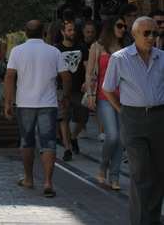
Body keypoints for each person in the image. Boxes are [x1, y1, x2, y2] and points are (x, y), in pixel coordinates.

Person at [102, 16, 164, 225]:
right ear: (134, 34)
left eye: (155, 33)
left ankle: (152, 220)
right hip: (133, 118)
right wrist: (121, 110)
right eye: (146, 33)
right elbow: (107, 88)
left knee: (158, 173)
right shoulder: (120, 58)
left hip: (159, 117)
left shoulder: (162, 58)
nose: (151, 37)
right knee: (140, 173)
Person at [4, 20, 70, 198]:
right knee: (48, 143)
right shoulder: (54, 51)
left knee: (27, 142)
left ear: (25, 32)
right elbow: (65, 76)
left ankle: (28, 178)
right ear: (44, 32)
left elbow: (10, 77)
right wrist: (65, 96)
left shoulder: (17, 51)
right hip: (48, 104)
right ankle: (48, 182)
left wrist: (7, 102)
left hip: (25, 103)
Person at [84, 16, 126, 191]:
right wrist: (90, 94)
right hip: (104, 97)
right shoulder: (96, 47)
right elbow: (89, 73)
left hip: (124, 98)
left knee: (121, 139)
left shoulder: (126, 48)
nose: (123, 28)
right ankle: (103, 166)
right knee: (113, 136)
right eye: (119, 25)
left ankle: (114, 176)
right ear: (110, 27)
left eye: (124, 26)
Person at [55, 20, 89, 161]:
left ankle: (73, 137)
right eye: (69, 30)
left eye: (73, 30)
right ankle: (67, 148)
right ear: (63, 32)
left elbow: (87, 65)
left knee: (83, 118)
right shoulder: (56, 49)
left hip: (79, 88)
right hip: (62, 88)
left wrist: (88, 81)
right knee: (64, 117)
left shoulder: (82, 47)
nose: (72, 32)